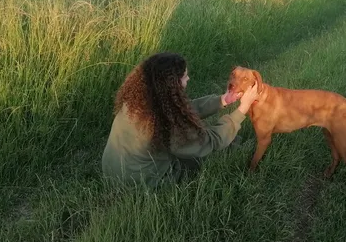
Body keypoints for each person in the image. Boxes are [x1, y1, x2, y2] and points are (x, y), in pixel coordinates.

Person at [101, 52, 259, 188]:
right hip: (142, 181)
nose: (188, 78)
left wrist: (223, 100)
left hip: (111, 170)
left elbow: (181, 111)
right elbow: (208, 142)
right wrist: (241, 110)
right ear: (171, 84)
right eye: (184, 76)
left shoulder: (137, 100)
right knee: (215, 150)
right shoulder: (166, 123)